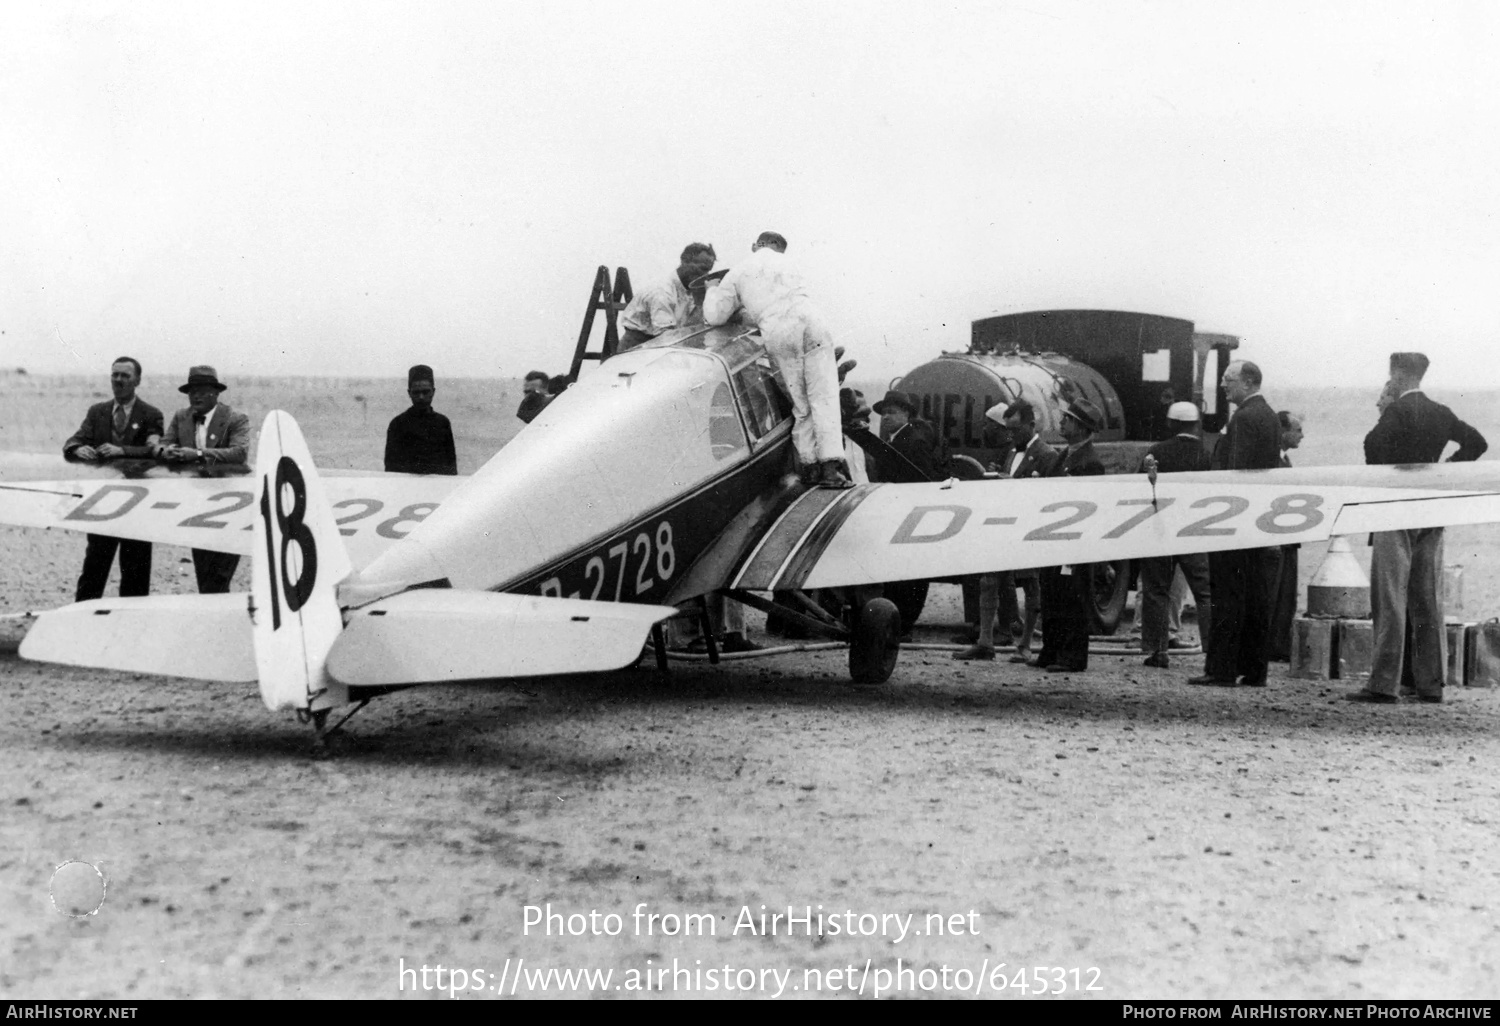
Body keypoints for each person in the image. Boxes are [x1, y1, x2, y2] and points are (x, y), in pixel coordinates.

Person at [1348, 352, 1487, 705]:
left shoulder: (1397, 410)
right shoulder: (1441, 412)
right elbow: (1477, 442)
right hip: (1431, 508)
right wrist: (1443, 471)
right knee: (1428, 599)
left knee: (1390, 598)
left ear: (1396, 375)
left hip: (1395, 510)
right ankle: (1430, 683)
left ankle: (1383, 682)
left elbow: (1372, 445)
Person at [704, 232, 850, 488]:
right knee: (824, 397)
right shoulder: (790, 264)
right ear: (781, 249)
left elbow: (715, 316)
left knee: (800, 402)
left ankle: (810, 466)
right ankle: (832, 470)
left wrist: (711, 290)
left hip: (779, 331)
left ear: (754, 245)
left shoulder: (739, 270)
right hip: (814, 323)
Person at [1189, 360, 1282, 687]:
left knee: (1227, 595)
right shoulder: (1269, 416)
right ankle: (1255, 669)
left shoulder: (1243, 418)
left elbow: (1235, 473)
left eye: (1229, 381)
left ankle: (1221, 668)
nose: (1224, 386)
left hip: (1236, 521)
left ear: (1248, 381)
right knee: (1257, 596)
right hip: (1258, 523)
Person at [955, 399, 1058, 661]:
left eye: (1016, 429)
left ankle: (1024, 645)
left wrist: (1012, 482)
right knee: (989, 580)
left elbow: (1051, 495)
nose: (1011, 435)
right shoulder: (1013, 452)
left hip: (1029, 528)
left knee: (1032, 585)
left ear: (1031, 425)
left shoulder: (1047, 455)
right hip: (1005, 525)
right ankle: (985, 641)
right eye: (1008, 430)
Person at [63, 357, 165, 601]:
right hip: (103, 503)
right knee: (93, 571)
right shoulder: (97, 412)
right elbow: (74, 440)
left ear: (137, 381)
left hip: (137, 505)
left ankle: (131, 629)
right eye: (115, 375)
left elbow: (154, 451)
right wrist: (77, 449)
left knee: (136, 577)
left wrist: (123, 451)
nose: (118, 381)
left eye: (125, 376)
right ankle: (84, 626)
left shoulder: (151, 414)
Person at [155, 366, 252, 593]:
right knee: (204, 573)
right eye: (192, 391)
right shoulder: (182, 417)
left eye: (202, 390)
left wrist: (198, 454)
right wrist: (166, 452)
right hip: (197, 506)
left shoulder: (235, 419)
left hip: (231, 505)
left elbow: (239, 453)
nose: (195, 396)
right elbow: (163, 443)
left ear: (216, 393)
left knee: (219, 576)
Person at [1137, 402, 1213, 669]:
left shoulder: (1156, 452)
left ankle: (1158, 652)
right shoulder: (1205, 455)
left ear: (1170, 423)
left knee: (1157, 591)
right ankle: (1212, 652)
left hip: (1161, 532)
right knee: (1204, 593)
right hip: (1193, 533)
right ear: (1195, 424)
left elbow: (1140, 489)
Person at [1031, 398, 1106, 673]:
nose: (1062, 422)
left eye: (1068, 419)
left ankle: (1072, 656)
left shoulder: (1090, 463)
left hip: (1073, 541)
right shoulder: (1066, 455)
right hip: (1056, 538)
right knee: (1051, 592)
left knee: (1072, 598)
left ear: (1082, 427)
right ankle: (1051, 650)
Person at [618, 243, 717, 350]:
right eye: (702, 268)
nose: (705, 275)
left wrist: (702, 302)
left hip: (663, 344)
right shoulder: (662, 292)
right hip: (637, 347)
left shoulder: (690, 290)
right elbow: (666, 337)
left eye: (708, 270)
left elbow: (689, 329)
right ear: (684, 261)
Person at [1266, 411, 1305, 661]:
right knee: (1276, 592)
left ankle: (1279, 644)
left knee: (1286, 594)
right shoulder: (1276, 462)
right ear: (1283, 431)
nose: (1302, 435)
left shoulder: (1284, 460)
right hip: (1279, 538)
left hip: (1288, 538)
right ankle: (1273, 644)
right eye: (1298, 430)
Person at [385, 365, 458, 475]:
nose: (421, 397)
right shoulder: (398, 424)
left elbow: (451, 466)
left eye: (425, 392)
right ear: (409, 393)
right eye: (416, 392)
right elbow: (391, 467)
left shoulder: (443, 423)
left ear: (433, 392)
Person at [869, 391, 938, 482]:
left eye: (891, 412)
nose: (885, 417)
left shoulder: (915, 442)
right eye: (883, 413)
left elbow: (924, 480)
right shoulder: (891, 440)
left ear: (906, 413)